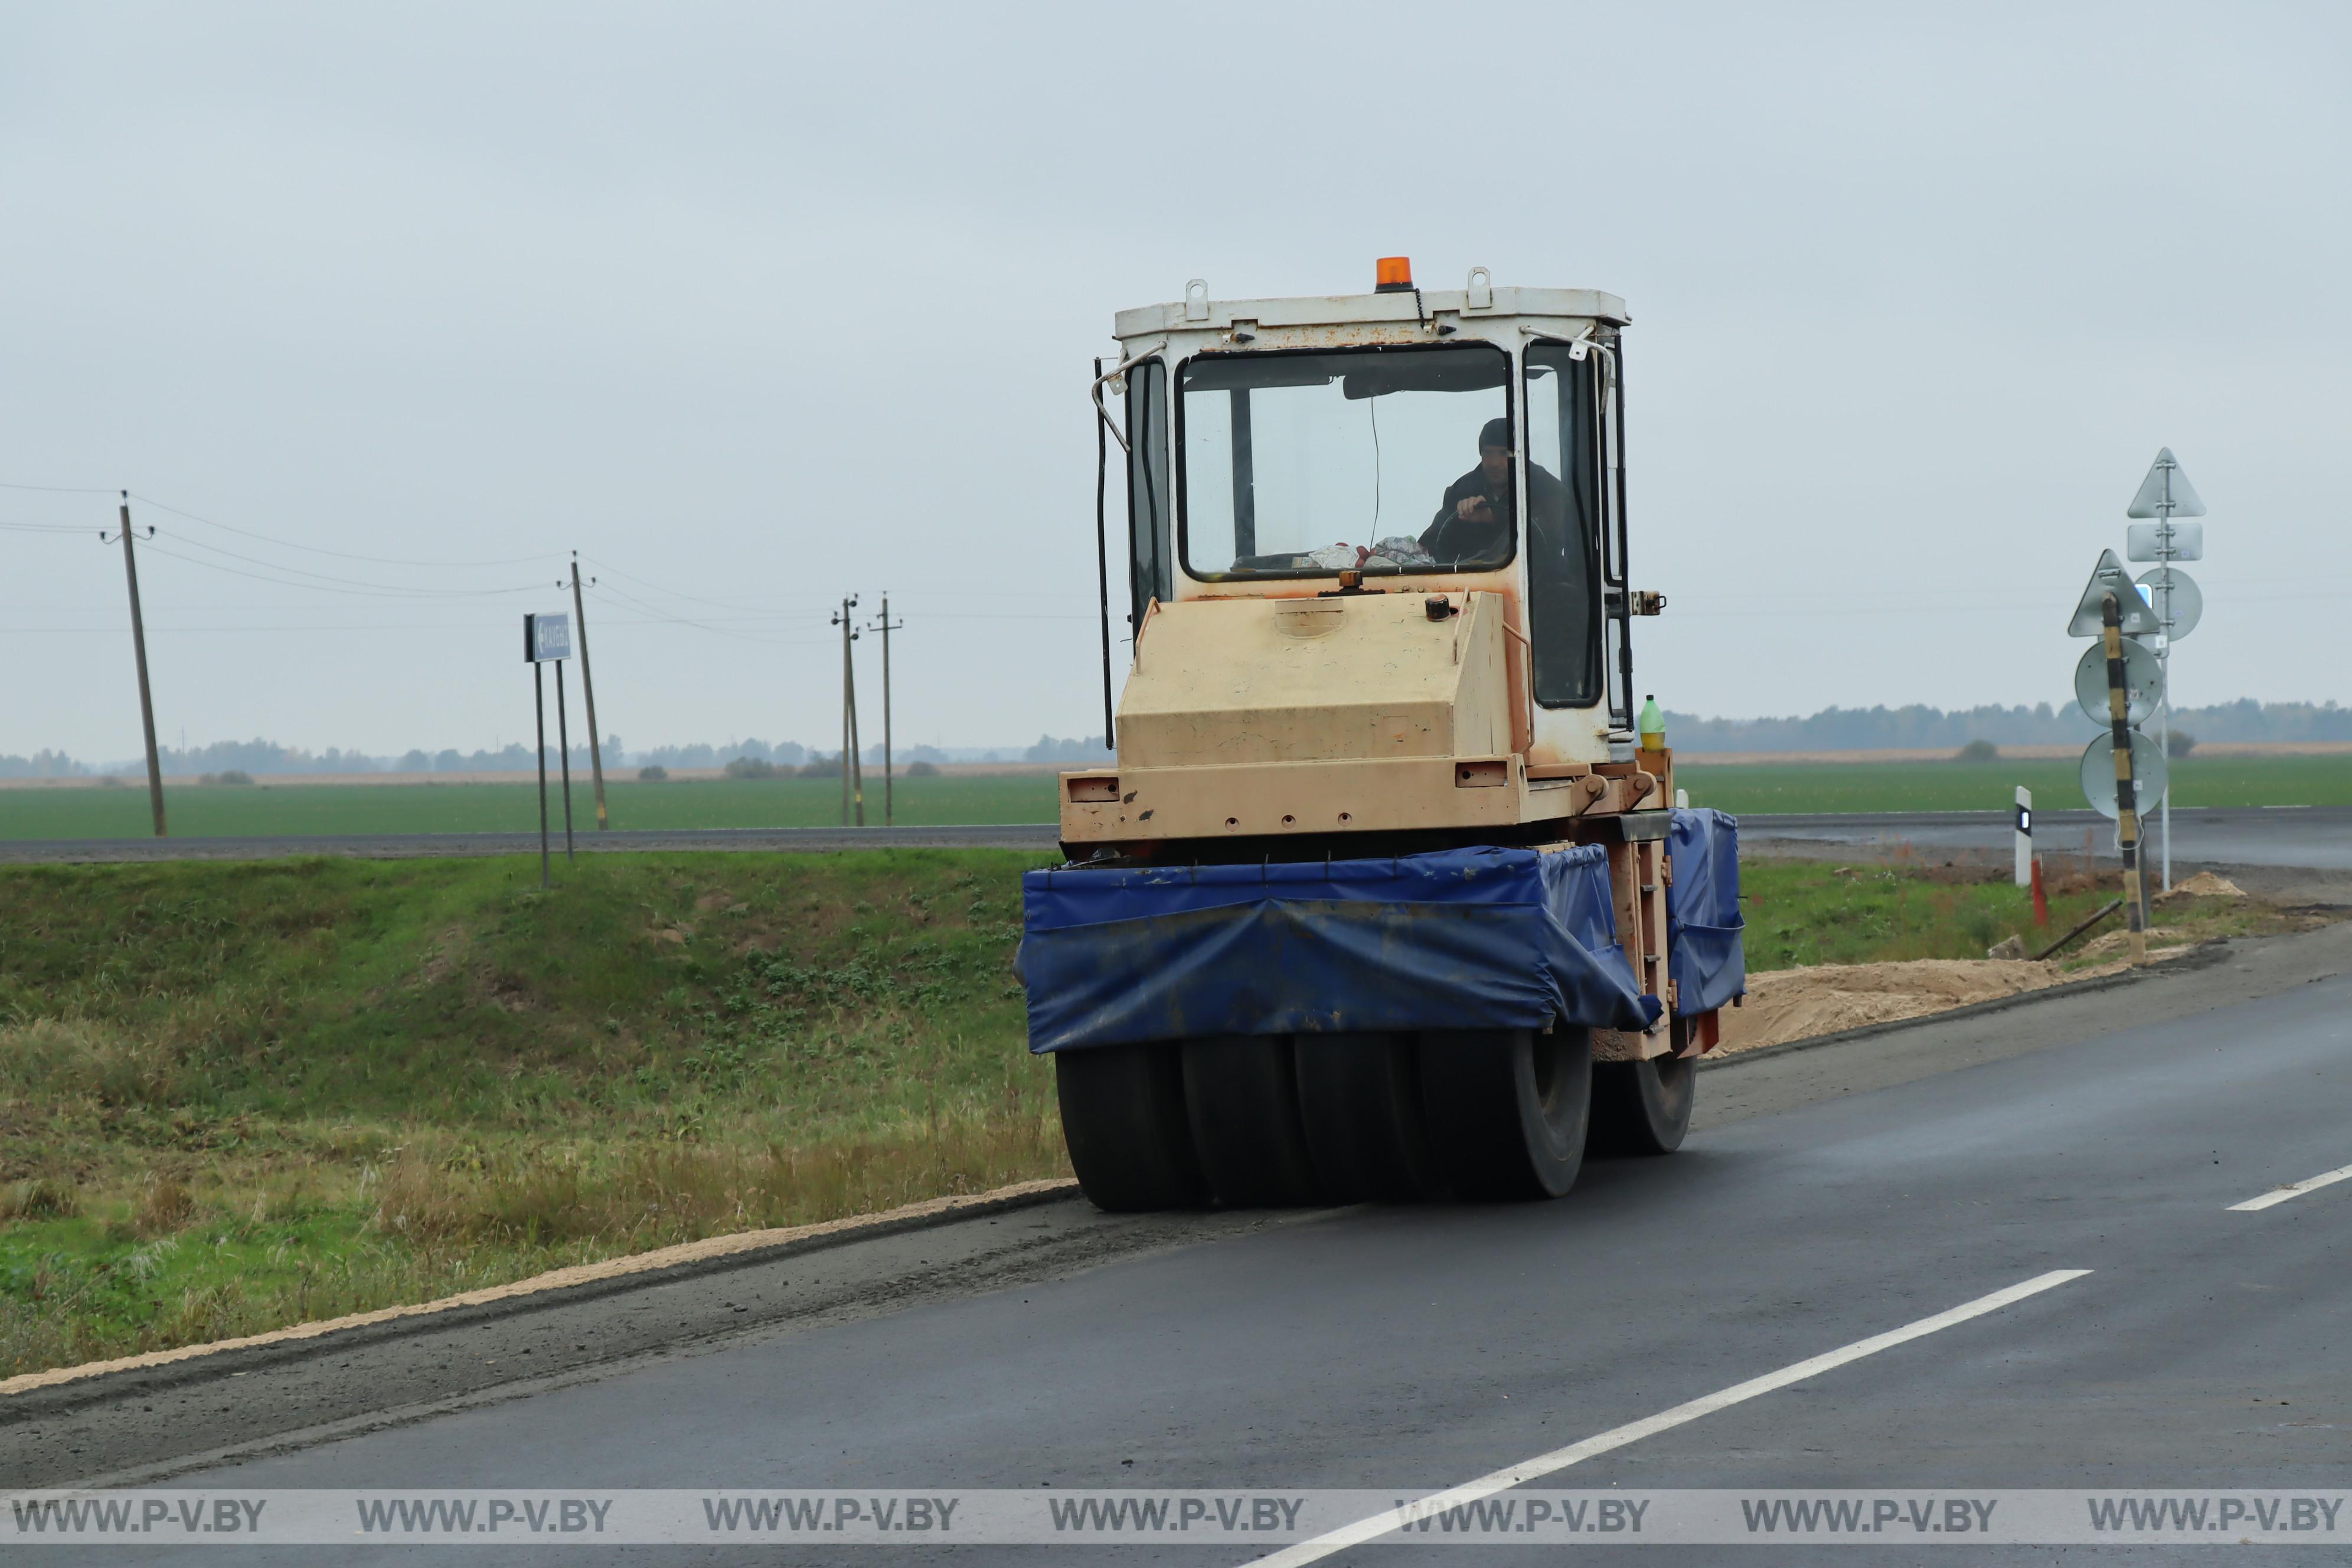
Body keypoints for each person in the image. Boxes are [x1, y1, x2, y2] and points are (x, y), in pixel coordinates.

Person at [1420, 416, 1564, 567]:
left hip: (1538, 579)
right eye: (1488, 453)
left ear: (1519, 454)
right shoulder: (1461, 491)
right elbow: (1434, 545)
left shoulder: (1544, 486)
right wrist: (1462, 520)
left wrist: (1496, 517)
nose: (1495, 463)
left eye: (1504, 454)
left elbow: (1555, 533)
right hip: (1477, 580)